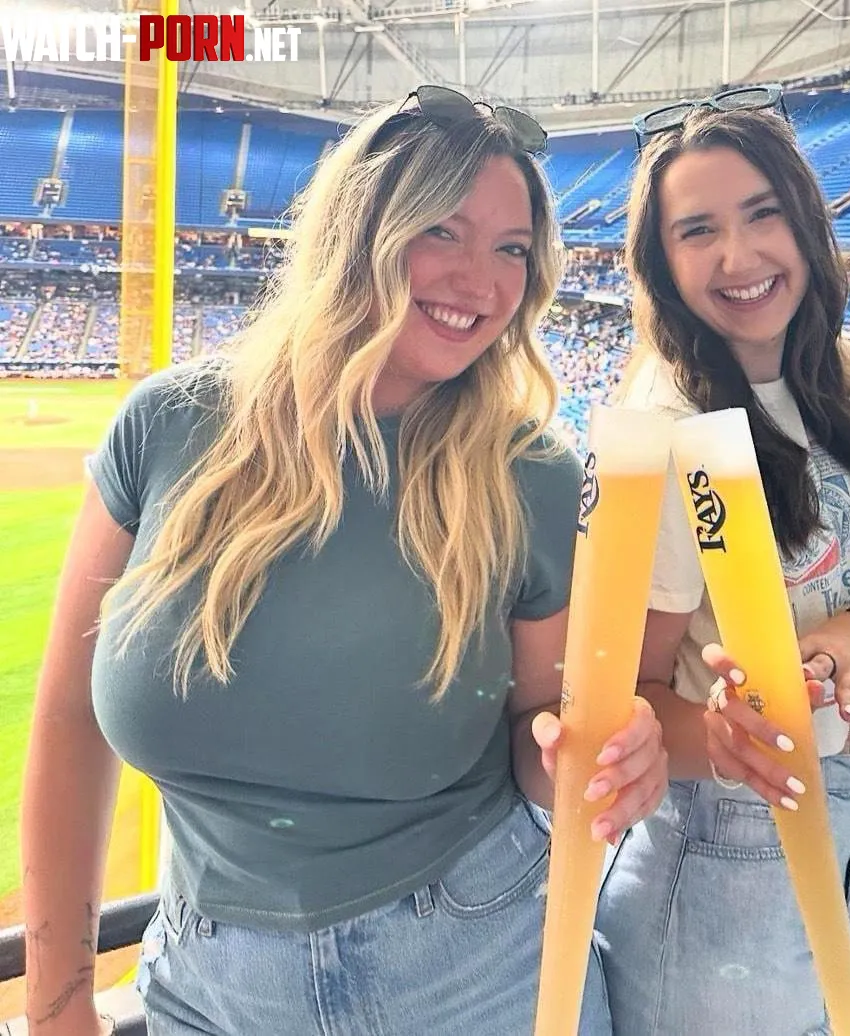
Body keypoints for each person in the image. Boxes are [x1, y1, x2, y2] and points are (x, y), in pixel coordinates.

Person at [20, 86, 667, 1036]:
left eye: (513, 249)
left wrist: (600, 759)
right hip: (200, 987)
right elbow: (71, 720)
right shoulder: (165, 428)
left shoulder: (529, 474)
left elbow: (541, 744)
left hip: (476, 979)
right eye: (442, 231)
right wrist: (58, 1003)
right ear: (359, 229)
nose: (482, 282)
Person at [594, 86, 850, 1035]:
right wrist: (720, 735)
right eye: (697, 230)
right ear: (662, 263)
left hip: (840, 824)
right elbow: (625, 697)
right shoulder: (664, 432)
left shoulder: (843, 383)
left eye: (762, 215)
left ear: (805, 225)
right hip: (718, 856)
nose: (739, 258)